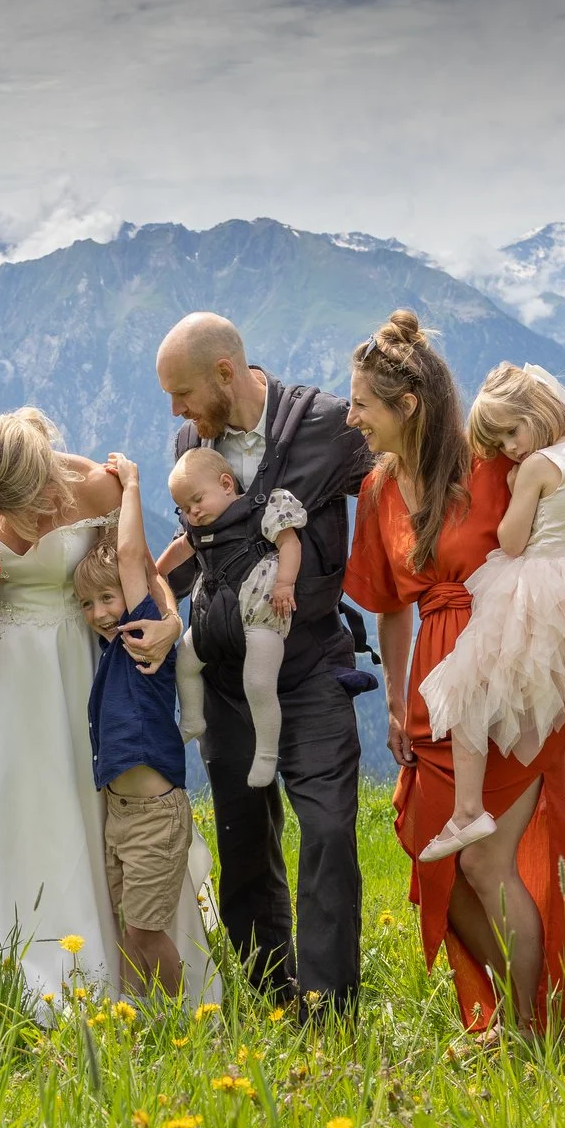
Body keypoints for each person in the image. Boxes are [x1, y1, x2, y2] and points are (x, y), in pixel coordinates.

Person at [0, 410, 205, 1006]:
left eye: (36, 502)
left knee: (84, 802)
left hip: (77, 665)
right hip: (2, 671)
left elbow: (143, 573)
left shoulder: (97, 484)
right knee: (6, 798)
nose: (27, 520)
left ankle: (109, 963)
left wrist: (170, 623)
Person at [344, 311, 565, 1037]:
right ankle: (516, 1010)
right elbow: (387, 604)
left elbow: (563, 545)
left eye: (361, 404)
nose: (351, 417)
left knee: (484, 865)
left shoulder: (497, 465)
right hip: (428, 689)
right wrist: (390, 705)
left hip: (504, 676)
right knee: (433, 854)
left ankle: (532, 1032)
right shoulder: (380, 489)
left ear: (406, 405)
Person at [158, 311, 375, 1010]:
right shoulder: (194, 440)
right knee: (245, 840)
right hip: (226, 672)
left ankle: (327, 1008)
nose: (176, 411)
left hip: (311, 662)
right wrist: (157, 610)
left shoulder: (329, 425)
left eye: (183, 392)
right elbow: (200, 544)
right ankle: (268, 995)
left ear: (226, 373)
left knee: (331, 825)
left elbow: (406, 467)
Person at [417, 363, 565, 860]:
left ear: (539, 410)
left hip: (536, 582)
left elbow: (511, 542)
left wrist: (516, 487)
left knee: (467, 687)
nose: (511, 448)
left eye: (513, 431)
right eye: (501, 442)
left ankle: (467, 810)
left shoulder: (536, 467)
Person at [79, 455, 198, 998]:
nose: (102, 612)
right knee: (129, 932)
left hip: (155, 817)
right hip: (120, 817)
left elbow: (131, 555)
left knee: (147, 931)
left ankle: (186, 1023)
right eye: (88, 603)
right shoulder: (108, 654)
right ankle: (136, 1022)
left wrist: (131, 483)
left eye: (109, 597)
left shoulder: (144, 638)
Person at [154, 448, 303, 784]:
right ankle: (192, 719)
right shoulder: (197, 530)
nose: (193, 512)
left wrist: (285, 584)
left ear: (225, 484)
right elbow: (179, 549)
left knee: (260, 682)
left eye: (197, 500)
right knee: (185, 663)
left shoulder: (259, 513)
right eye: (184, 508)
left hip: (260, 614)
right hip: (213, 620)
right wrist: (155, 571)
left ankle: (266, 754)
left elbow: (290, 543)